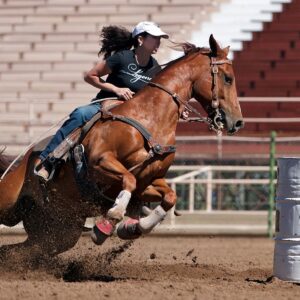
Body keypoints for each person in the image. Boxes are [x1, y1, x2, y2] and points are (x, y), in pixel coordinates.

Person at [34, 21, 169, 181]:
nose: (159, 42)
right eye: (155, 38)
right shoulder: (122, 58)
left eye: (159, 38)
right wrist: (116, 89)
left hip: (133, 114)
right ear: (140, 39)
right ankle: (48, 161)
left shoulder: (155, 67)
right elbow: (90, 76)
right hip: (105, 105)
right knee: (80, 113)